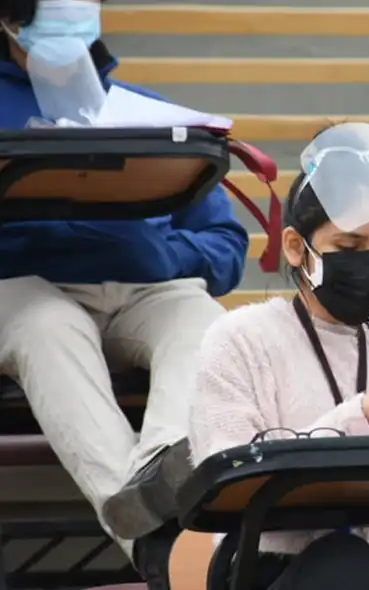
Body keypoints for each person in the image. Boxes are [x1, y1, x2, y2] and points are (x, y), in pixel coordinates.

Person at [0, 0, 249, 584]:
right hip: (26, 294)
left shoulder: (147, 112)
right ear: (10, 17)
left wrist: (165, 256)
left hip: (144, 291)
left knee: (207, 321)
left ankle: (156, 475)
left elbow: (225, 245)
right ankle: (158, 546)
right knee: (48, 329)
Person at [189, 123, 369, 590]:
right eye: (348, 247)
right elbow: (230, 484)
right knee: (342, 561)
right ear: (295, 247)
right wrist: (362, 420)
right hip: (270, 569)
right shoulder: (238, 341)